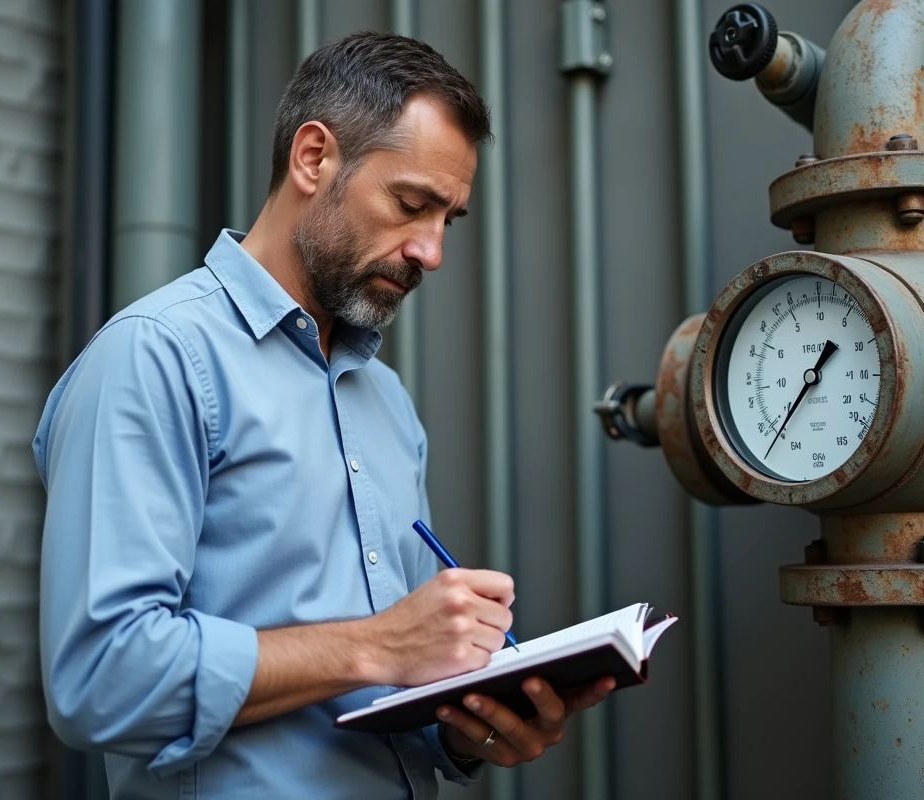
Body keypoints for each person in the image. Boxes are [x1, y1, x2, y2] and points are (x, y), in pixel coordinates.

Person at [33, 30, 614, 800]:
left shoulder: (389, 403)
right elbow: (101, 678)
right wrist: (377, 645)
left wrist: (465, 727)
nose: (431, 251)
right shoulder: (154, 358)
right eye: (411, 205)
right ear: (313, 158)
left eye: (450, 219)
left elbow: (394, 690)